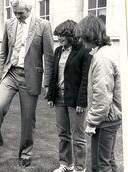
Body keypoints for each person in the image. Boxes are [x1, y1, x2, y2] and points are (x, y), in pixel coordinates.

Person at [0, 0, 54, 169]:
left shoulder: (43, 25)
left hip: (31, 77)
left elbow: (49, 56)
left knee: (28, 118)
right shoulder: (9, 23)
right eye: (14, 13)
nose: (17, 16)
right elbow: (3, 51)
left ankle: (25, 153)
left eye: (20, 13)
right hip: (11, 73)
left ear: (29, 9)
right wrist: (1, 74)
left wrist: (47, 83)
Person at [75, 15, 122, 172]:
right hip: (111, 118)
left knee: (100, 166)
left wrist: (92, 122)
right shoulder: (106, 52)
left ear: (90, 34)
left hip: (106, 120)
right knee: (109, 161)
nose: (80, 41)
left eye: (81, 36)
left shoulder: (102, 58)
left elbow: (102, 97)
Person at [46, 20, 92, 172]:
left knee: (78, 136)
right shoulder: (58, 51)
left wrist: (82, 102)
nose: (59, 38)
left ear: (71, 35)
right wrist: (51, 96)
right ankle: (66, 164)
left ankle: (80, 168)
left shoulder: (84, 52)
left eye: (62, 36)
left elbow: (86, 79)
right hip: (59, 98)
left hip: (75, 100)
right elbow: (54, 74)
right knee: (63, 134)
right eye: (58, 35)